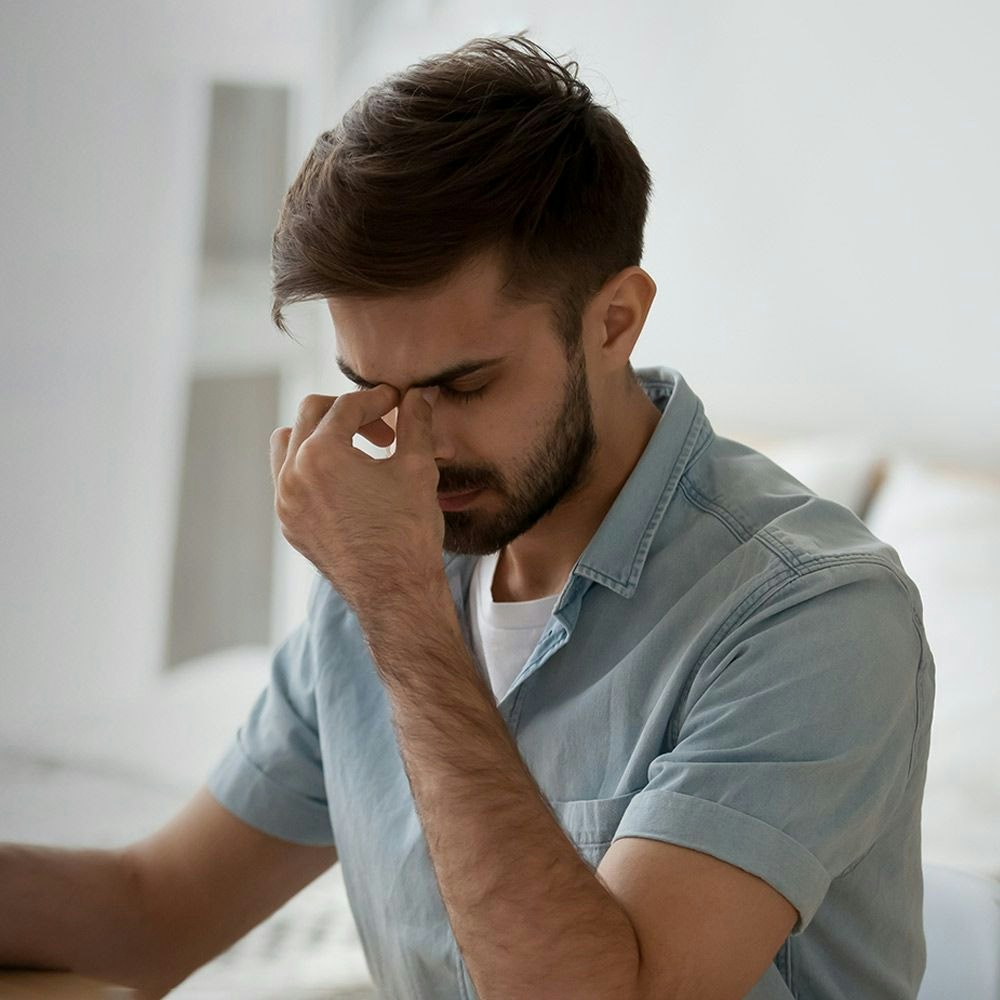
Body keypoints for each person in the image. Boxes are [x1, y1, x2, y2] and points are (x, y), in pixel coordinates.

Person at [1, 33, 934, 1000]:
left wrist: (399, 608)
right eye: (371, 387)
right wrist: (388, 593)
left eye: (464, 384)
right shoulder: (392, 561)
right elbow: (152, 912)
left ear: (615, 321)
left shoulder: (813, 614)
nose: (412, 446)